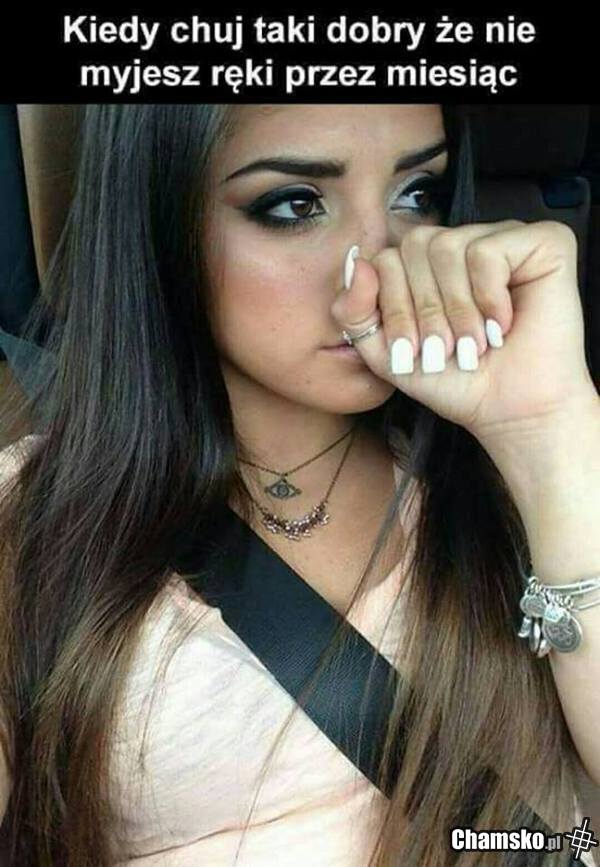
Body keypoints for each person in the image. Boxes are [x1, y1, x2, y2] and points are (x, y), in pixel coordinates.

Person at [0, 103, 598, 867]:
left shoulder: (520, 459)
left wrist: (549, 430)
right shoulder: (32, 524)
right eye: (294, 205)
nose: (380, 271)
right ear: (161, 219)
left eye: (417, 194)